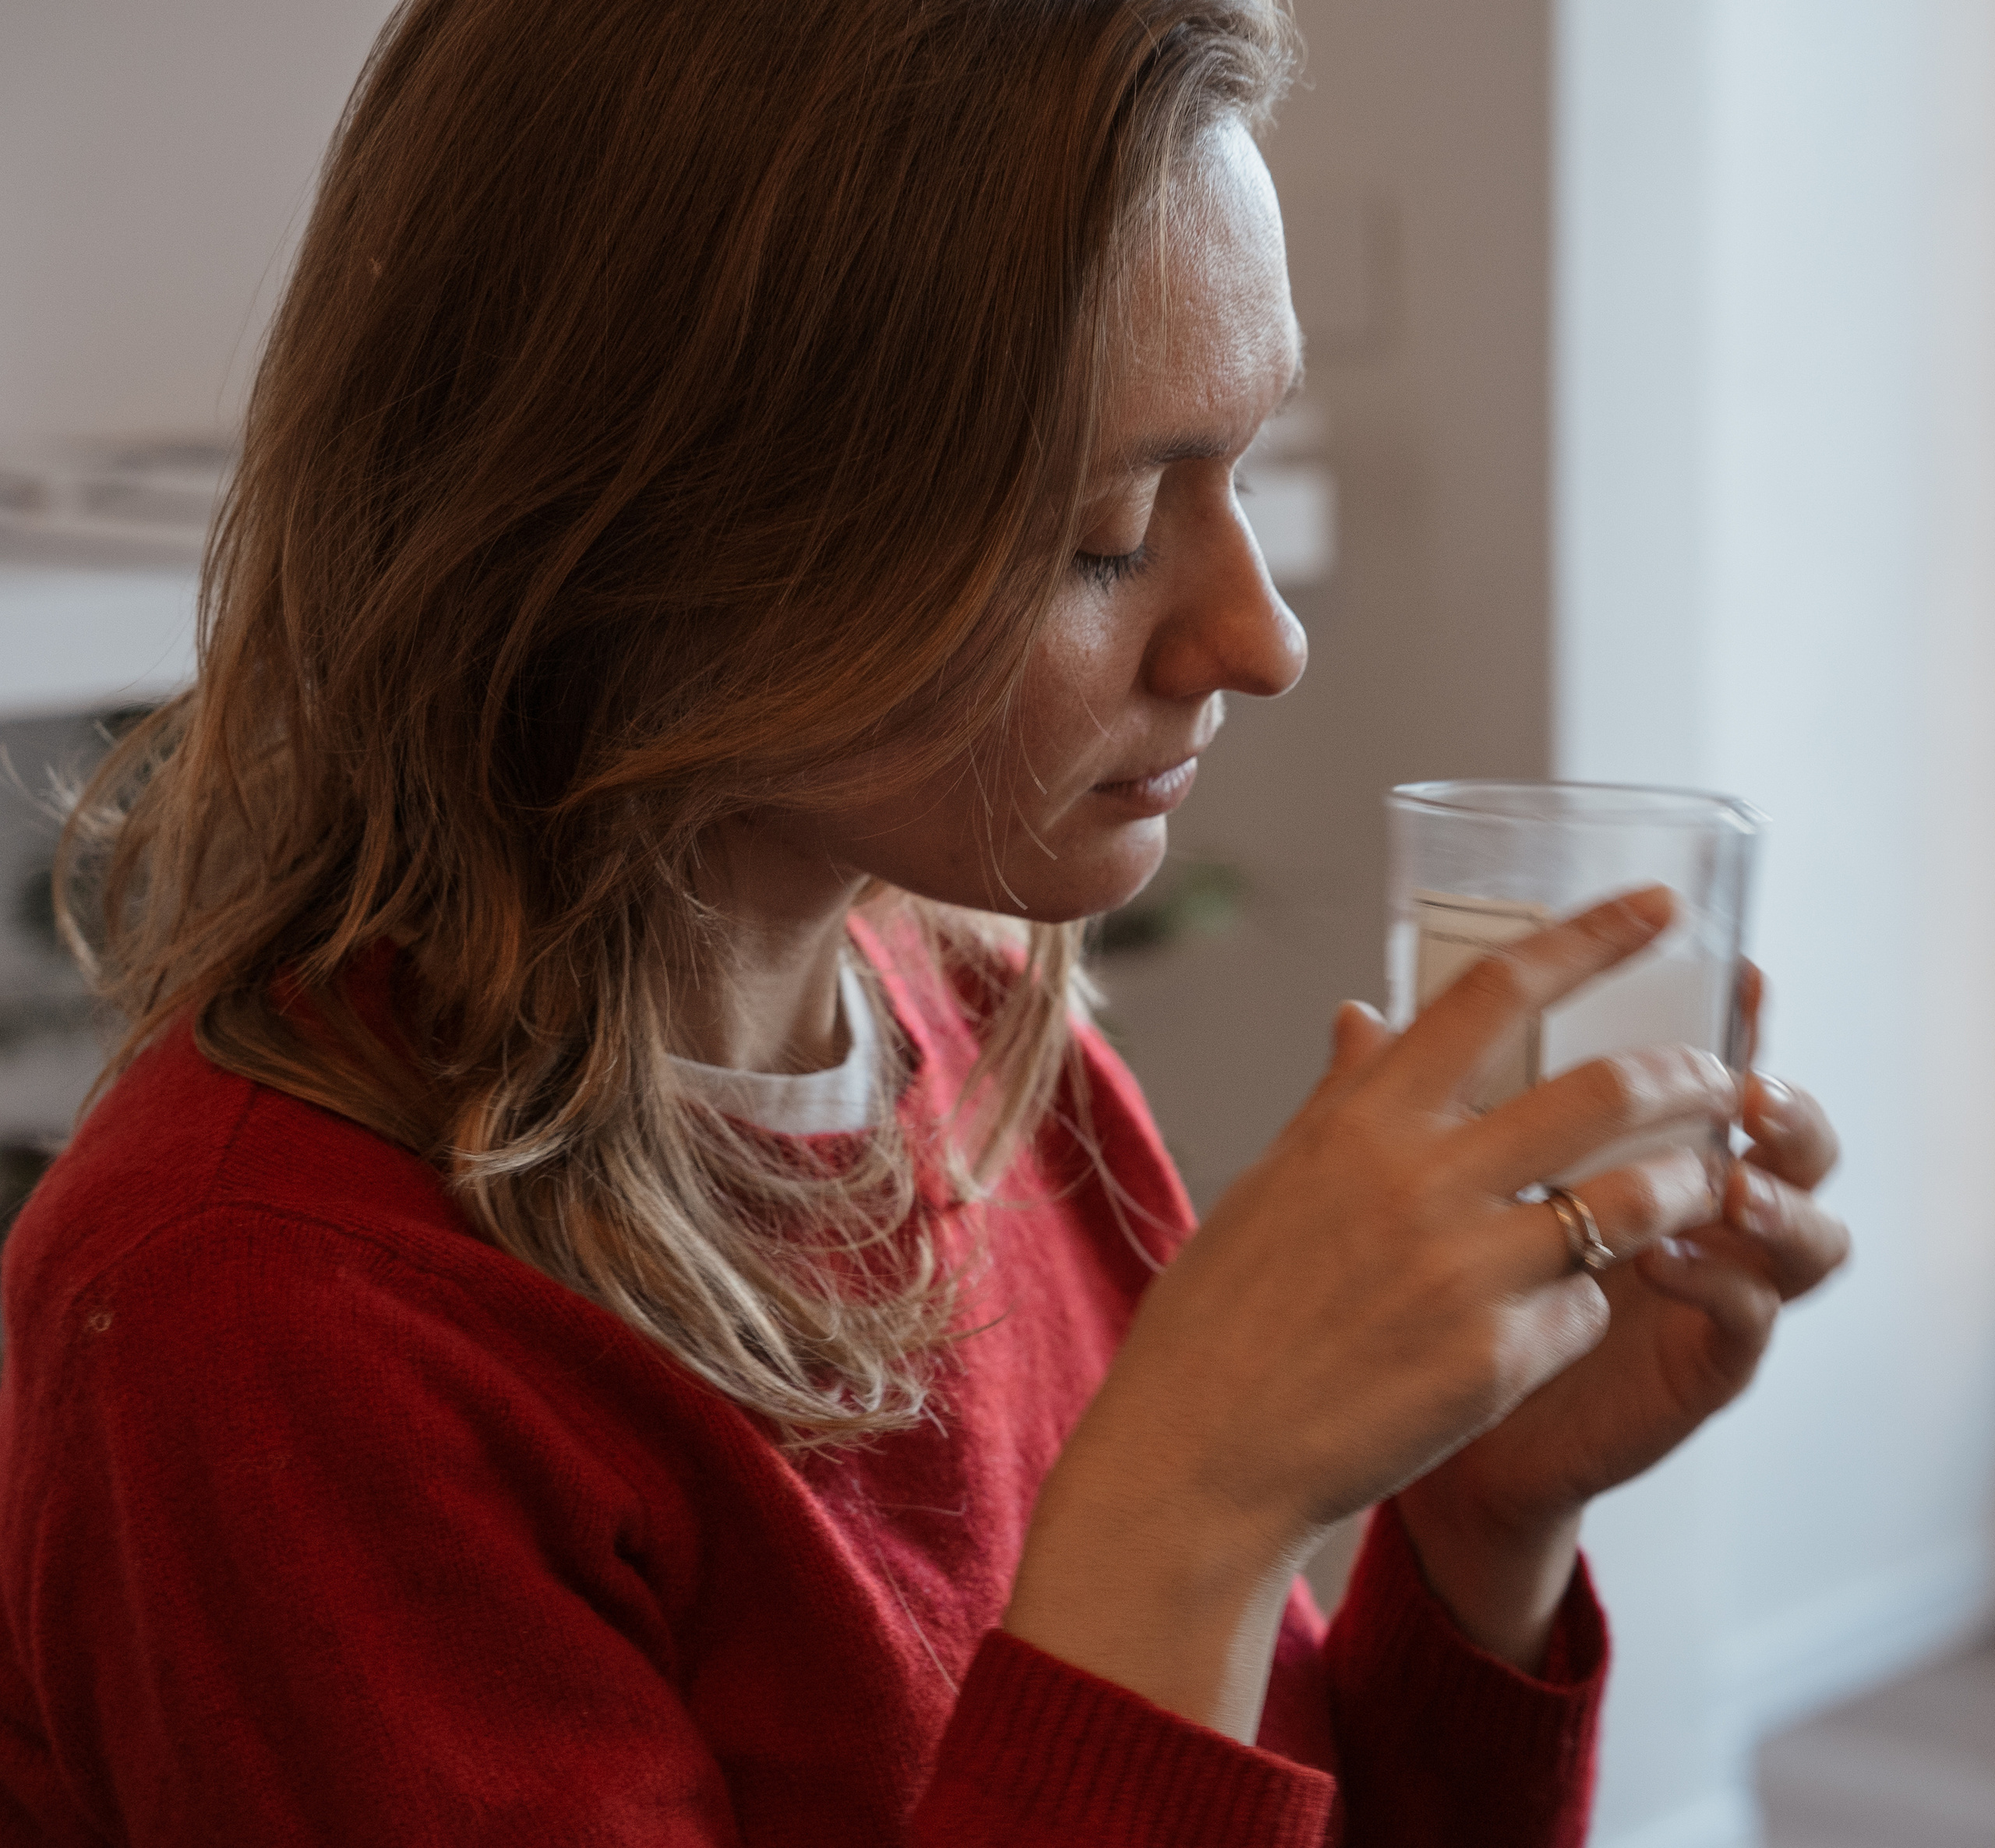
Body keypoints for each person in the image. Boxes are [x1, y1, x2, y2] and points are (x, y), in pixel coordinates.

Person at [0, 2, 1848, 1843]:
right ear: (658, 523)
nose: (1257, 639)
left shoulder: (969, 1033)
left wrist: (1479, 1526)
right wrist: (1192, 1503)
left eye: (1239, 465)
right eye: (1106, 529)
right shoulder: (258, 1325)